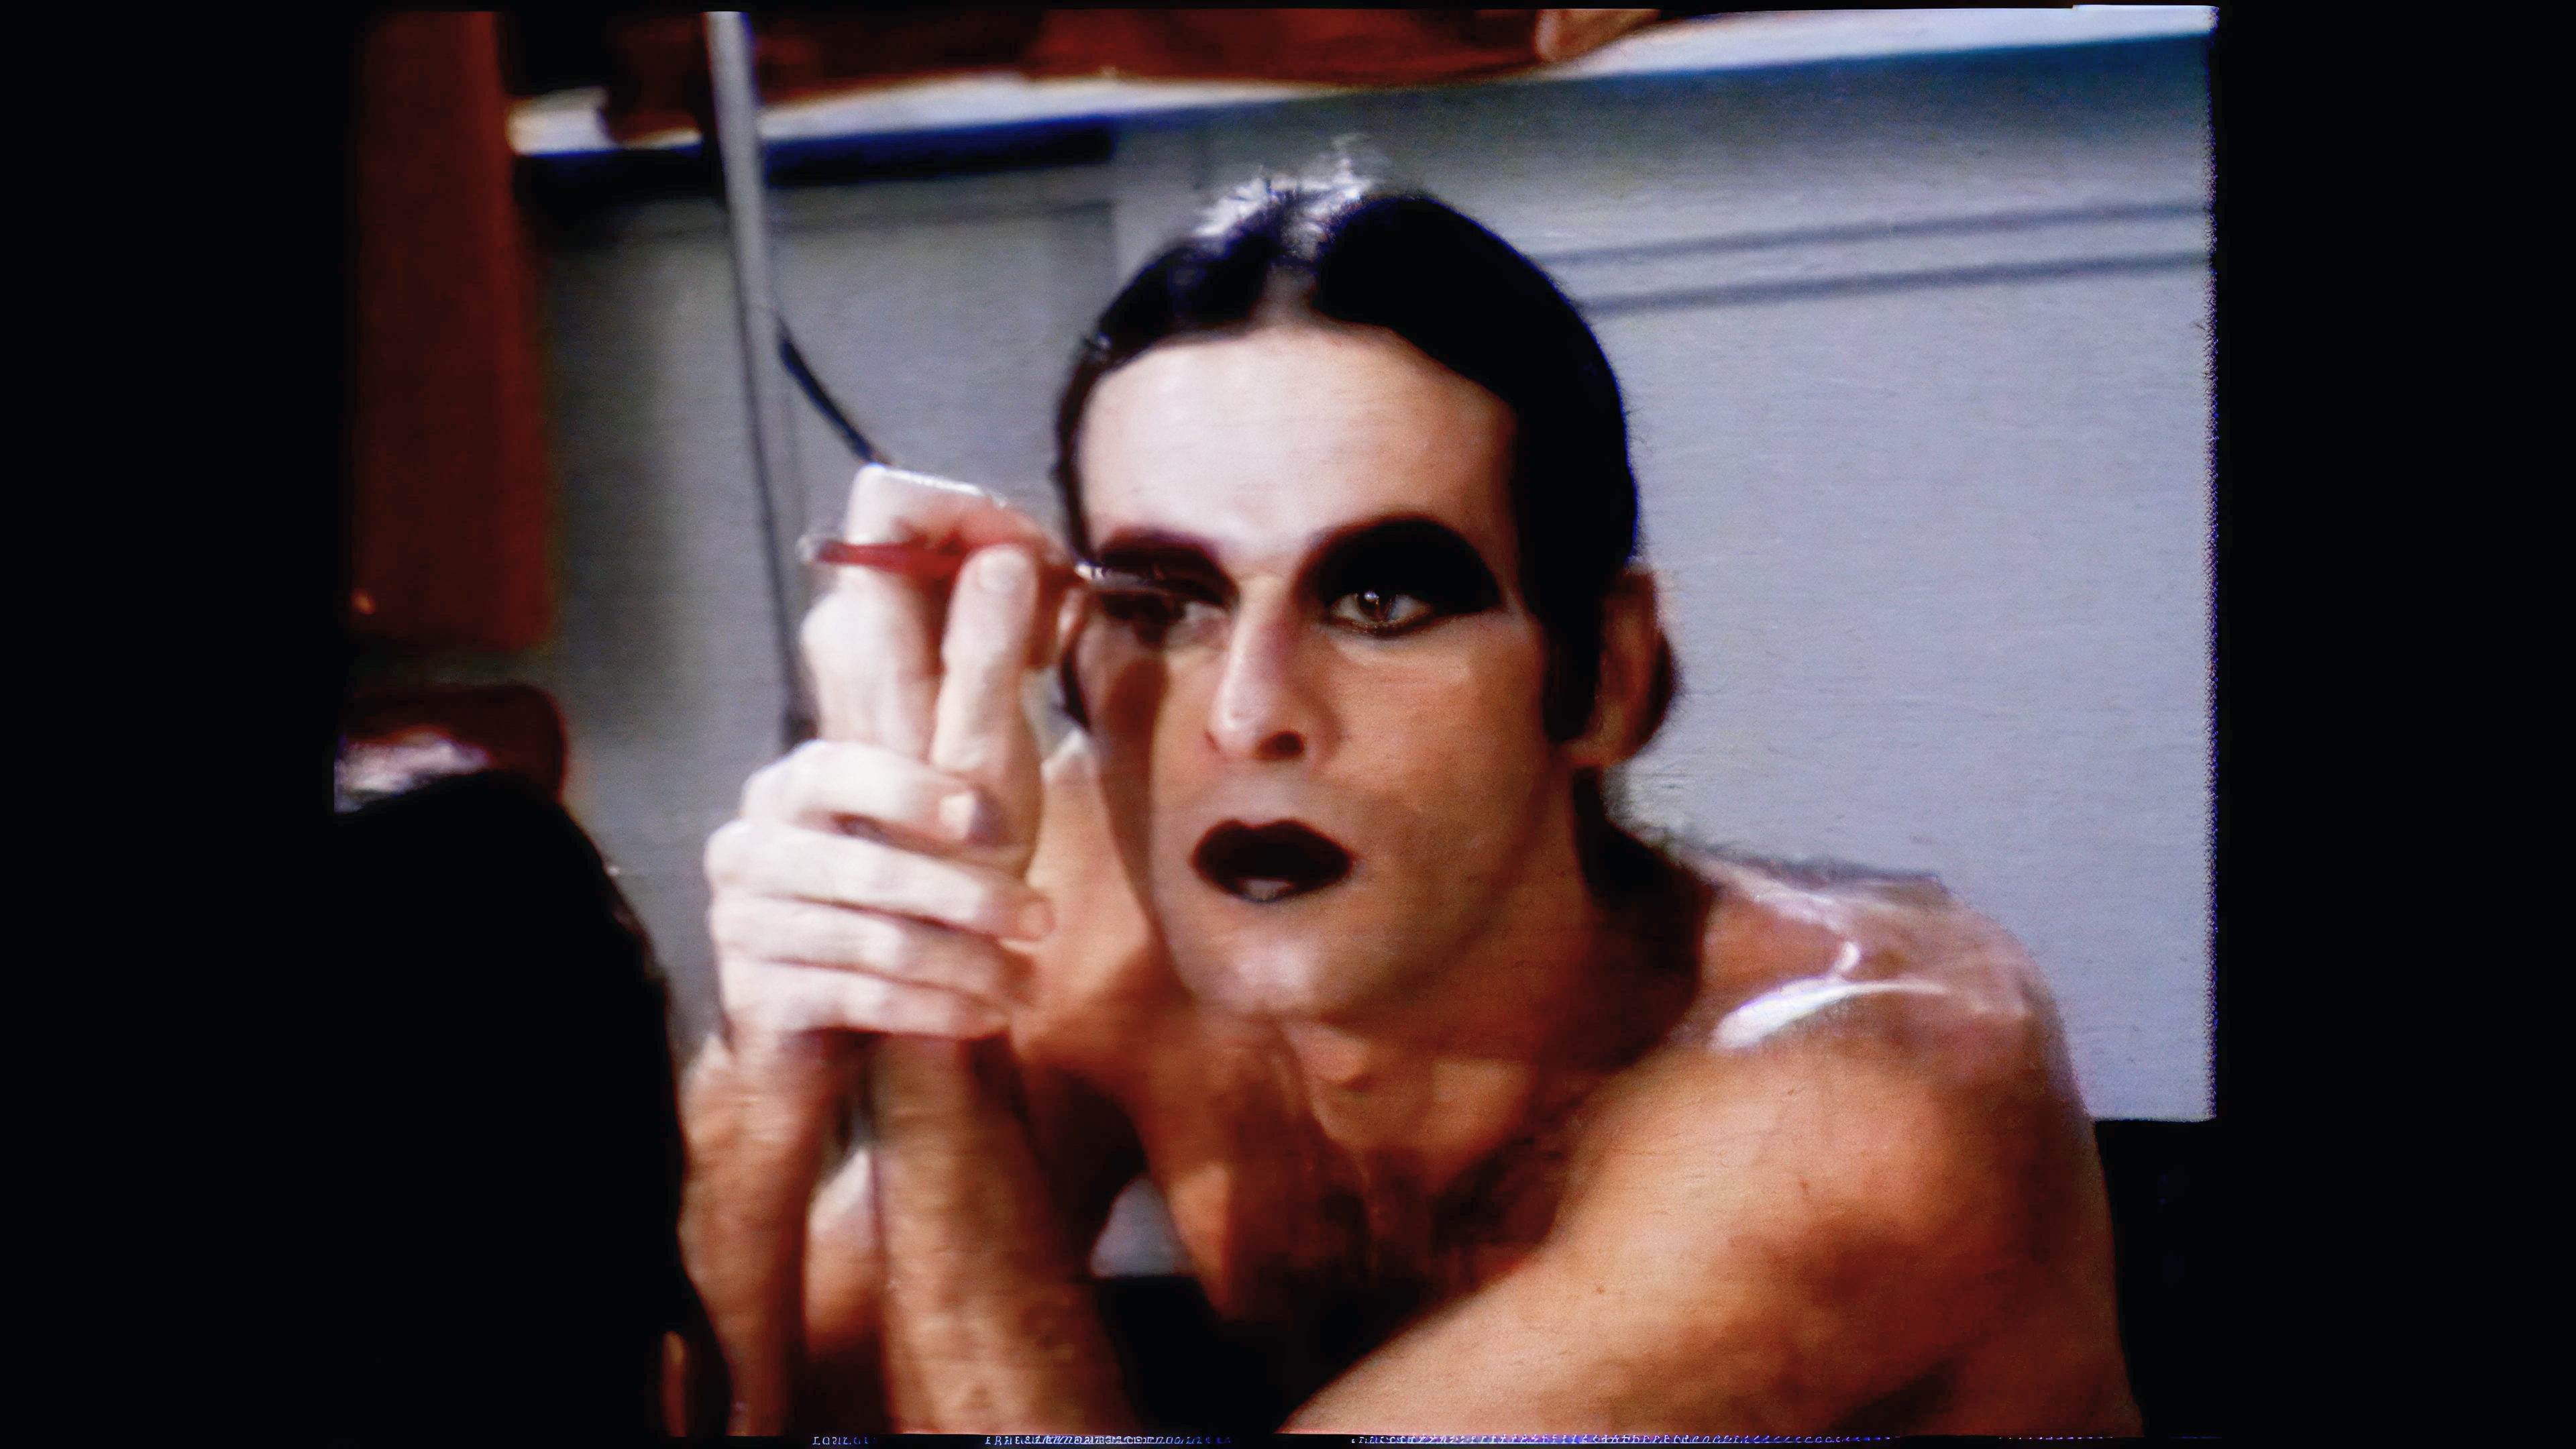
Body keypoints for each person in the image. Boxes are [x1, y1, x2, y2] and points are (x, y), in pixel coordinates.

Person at [678, 168, 2141, 1435]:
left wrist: (932, 1051)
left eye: (1380, 601)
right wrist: (773, 1055)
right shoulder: (1090, 900)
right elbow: (706, 1399)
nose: (1248, 713)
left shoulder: (1861, 1111)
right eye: (1167, 603)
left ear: (1608, 676)